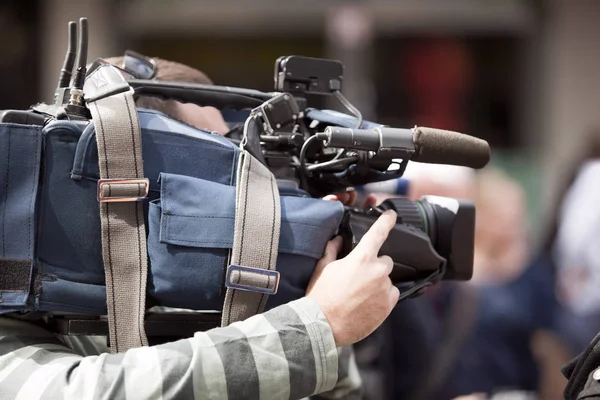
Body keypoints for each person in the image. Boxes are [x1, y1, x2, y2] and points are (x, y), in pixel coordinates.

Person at [0, 57, 399, 399]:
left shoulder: (168, 294)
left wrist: (303, 273)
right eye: (216, 171)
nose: (232, 198)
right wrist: (315, 326)